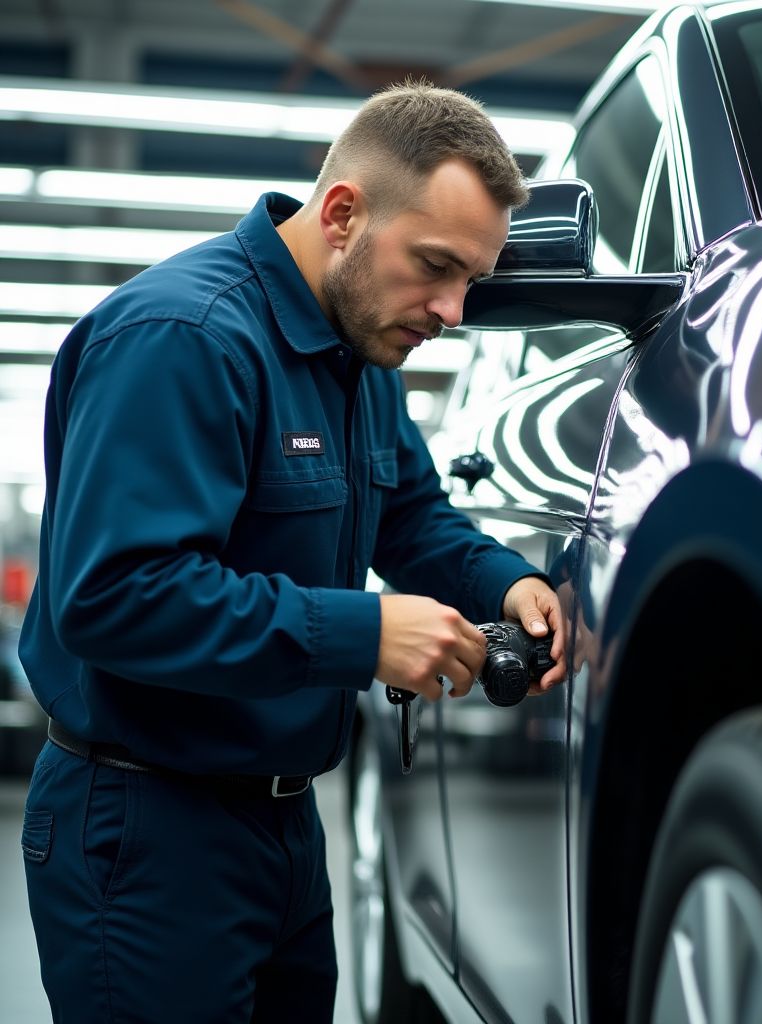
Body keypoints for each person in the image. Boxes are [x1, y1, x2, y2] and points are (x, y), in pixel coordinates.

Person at [18, 80, 565, 1023]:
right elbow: (114, 596)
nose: (451, 309)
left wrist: (506, 580)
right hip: (147, 830)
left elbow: (411, 518)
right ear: (344, 214)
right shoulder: (182, 339)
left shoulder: (360, 357)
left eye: (470, 279)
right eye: (435, 266)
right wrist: (363, 633)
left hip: (283, 823)